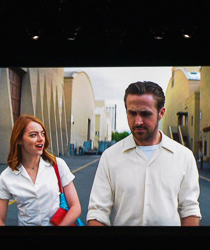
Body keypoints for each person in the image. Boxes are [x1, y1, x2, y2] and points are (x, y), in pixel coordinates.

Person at [86, 81, 201, 226]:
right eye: (132, 113)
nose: (138, 121)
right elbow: (98, 212)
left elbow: (190, 209)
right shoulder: (110, 157)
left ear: (161, 113)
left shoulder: (184, 157)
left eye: (145, 114)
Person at [0, 114, 81, 226]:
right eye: (33, 135)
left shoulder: (57, 165)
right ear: (19, 140)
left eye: (42, 134)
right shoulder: (7, 176)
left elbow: (76, 207)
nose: (41, 139)